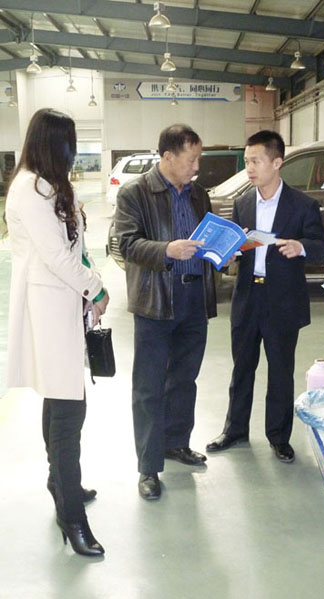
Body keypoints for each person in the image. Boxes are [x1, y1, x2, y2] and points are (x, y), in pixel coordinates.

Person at [5, 108, 109, 556]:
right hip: (47, 310)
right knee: (68, 410)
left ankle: (60, 483)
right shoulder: (29, 189)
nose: (74, 152)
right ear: (54, 145)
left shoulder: (49, 185)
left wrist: (89, 282)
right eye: (70, 144)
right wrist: (96, 289)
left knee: (62, 399)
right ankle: (72, 516)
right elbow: (55, 256)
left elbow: (76, 248)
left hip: (64, 306)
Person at [206, 130, 324, 463]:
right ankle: (234, 430)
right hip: (248, 295)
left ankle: (278, 437)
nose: (249, 168)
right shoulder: (243, 203)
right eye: (247, 161)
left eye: (256, 161)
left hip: (283, 300)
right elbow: (237, 248)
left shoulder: (302, 205)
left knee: (280, 372)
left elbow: (322, 247)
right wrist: (229, 254)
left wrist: (301, 246)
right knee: (242, 368)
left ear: (277, 163)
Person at [115, 124, 217, 500]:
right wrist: (166, 250)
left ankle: (176, 443)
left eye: (199, 159)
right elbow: (127, 244)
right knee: (149, 387)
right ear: (169, 157)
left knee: (184, 380)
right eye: (192, 159)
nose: (197, 167)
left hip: (194, 299)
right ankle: (148, 466)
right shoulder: (134, 193)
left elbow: (206, 240)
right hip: (155, 302)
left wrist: (224, 251)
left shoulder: (199, 195)